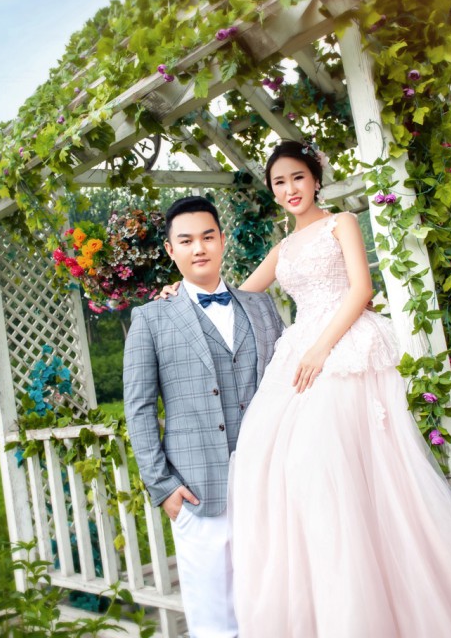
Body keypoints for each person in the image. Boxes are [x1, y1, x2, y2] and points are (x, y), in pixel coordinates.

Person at [222, 140, 451, 636]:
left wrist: (321, 349)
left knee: (330, 460)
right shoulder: (282, 248)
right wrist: (183, 291)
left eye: (297, 177)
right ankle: (324, 599)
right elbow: (237, 296)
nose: (290, 189)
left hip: (345, 345)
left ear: (315, 179)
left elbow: (361, 289)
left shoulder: (341, 223)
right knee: (280, 465)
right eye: (279, 182)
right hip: (300, 350)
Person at [123, 196, 284, 638]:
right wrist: (163, 486)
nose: (199, 248)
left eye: (208, 237)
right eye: (186, 240)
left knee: (274, 607)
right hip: (196, 490)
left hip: (267, 482)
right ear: (170, 250)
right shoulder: (151, 319)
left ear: (222, 240)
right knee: (215, 623)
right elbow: (139, 407)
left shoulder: (261, 306)